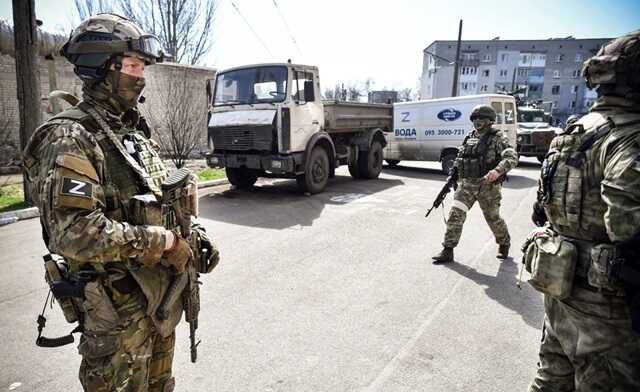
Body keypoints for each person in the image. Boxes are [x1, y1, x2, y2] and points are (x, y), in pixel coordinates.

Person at [23, 13, 218, 392]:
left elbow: (163, 202)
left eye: (142, 66)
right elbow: (76, 234)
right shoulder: (70, 136)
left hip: (159, 303)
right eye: (131, 65)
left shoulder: (132, 131)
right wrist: (164, 243)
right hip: (116, 319)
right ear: (102, 68)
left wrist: (194, 238)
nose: (140, 75)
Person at [527, 30, 640, 391]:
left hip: (561, 285)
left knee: (552, 379)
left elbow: (541, 210)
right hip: (606, 307)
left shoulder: (574, 130)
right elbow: (627, 226)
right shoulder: (629, 137)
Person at [432, 105, 518, 264]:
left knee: (492, 218)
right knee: (455, 214)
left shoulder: (498, 138)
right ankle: (448, 250)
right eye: (475, 119)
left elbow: (512, 157)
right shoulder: (469, 137)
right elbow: (461, 158)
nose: (478, 122)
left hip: (488, 187)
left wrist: (497, 171)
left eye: (482, 119)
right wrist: (453, 176)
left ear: (490, 121)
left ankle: (504, 242)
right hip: (467, 186)